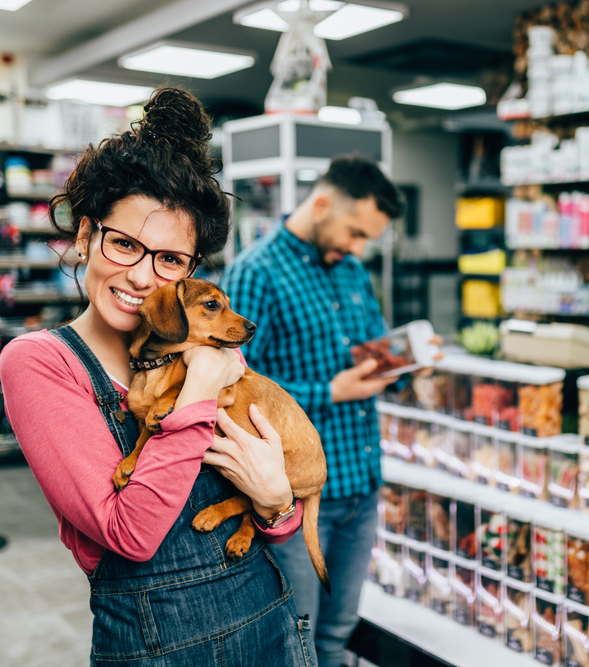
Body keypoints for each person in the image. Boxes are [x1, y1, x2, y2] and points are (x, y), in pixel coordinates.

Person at [0, 88, 317, 667]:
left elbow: (272, 523)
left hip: (269, 621)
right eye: (124, 244)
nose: (145, 278)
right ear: (85, 235)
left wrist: (275, 505)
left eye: (170, 260)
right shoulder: (43, 362)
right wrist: (199, 388)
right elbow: (131, 535)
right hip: (157, 648)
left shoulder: (202, 341)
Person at [221, 155, 408, 667]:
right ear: (321, 204)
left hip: (361, 485)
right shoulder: (256, 273)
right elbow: (235, 390)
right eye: (354, 232)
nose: (357, 247)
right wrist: (332, 391)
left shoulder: (350, 271)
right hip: (298, 497)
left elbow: (373, 353)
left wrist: (407, 362)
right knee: (295, 636)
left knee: (337, 633)